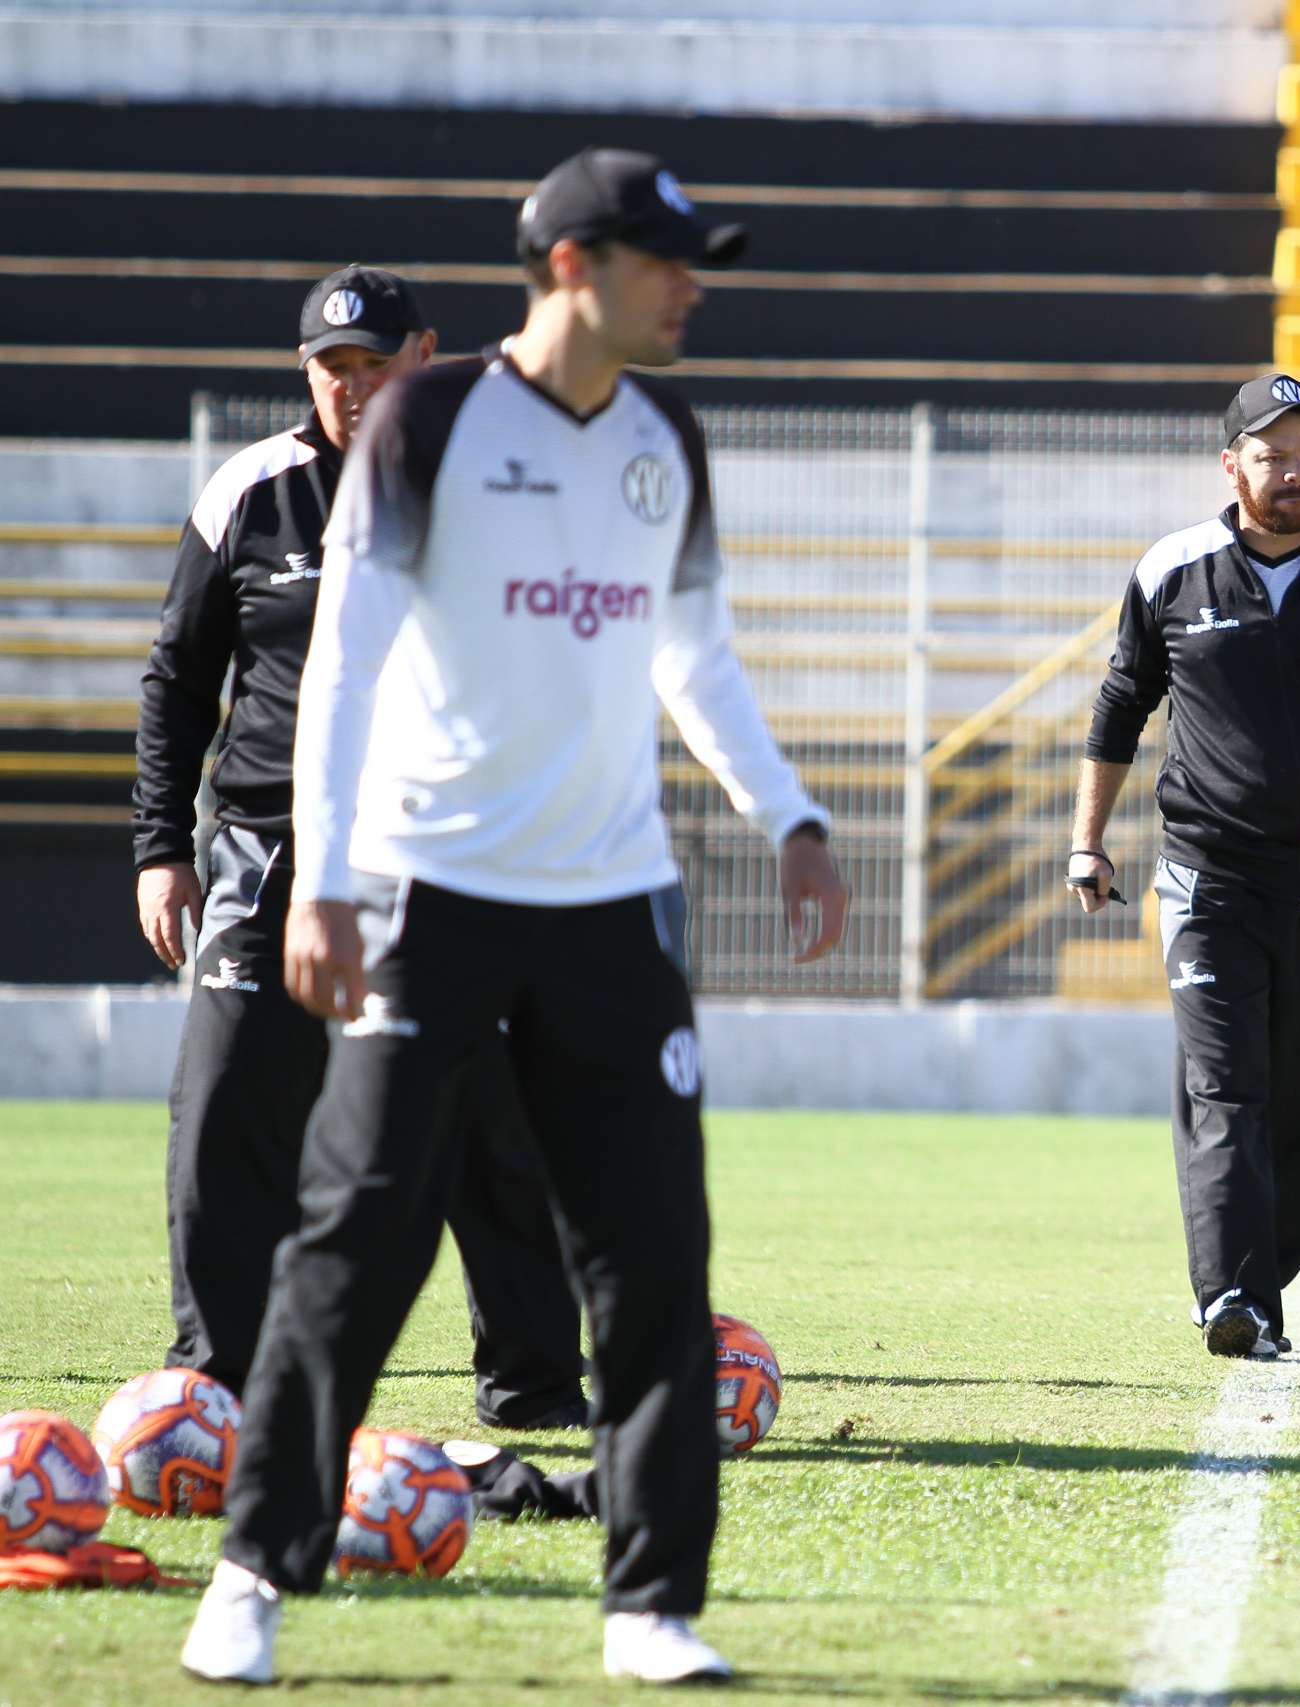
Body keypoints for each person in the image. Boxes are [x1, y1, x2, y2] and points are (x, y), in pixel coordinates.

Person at [180, 149, 847, 1688]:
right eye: (663, 260)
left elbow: (697, 657)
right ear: (570, 268)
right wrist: (330, 880)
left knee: (654, 1262)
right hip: (429, 894)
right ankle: (252, 1576)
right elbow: (342, 660)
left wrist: (793, 816)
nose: (690, 287)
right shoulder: (428, 418)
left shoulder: (668, 433)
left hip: (612, 909)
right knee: (355, 1241)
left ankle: (652, 1607)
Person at [134, 264, 588, 1431]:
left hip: (437, 850)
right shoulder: (251, 491)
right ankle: (218, 1381)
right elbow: (180, 681)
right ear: (306, 374)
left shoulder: (492, 488)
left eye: (373, 363)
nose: (350, 386)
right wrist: (159, 846)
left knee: (490, 1115)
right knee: (226, 1100)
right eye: (330, 367)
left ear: (423, 355)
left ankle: (533, 1386)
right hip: (264, 849)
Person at [1069, 373, 1300, 1360]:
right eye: (1274, 457)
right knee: (1227, 1087)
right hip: (1207, 877)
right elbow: (1117, 714)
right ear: (1231, 465)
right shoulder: (1172, 571)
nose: (1296, 474)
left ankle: (1259, 1277)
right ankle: (1231, 1296)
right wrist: (1087, 840)